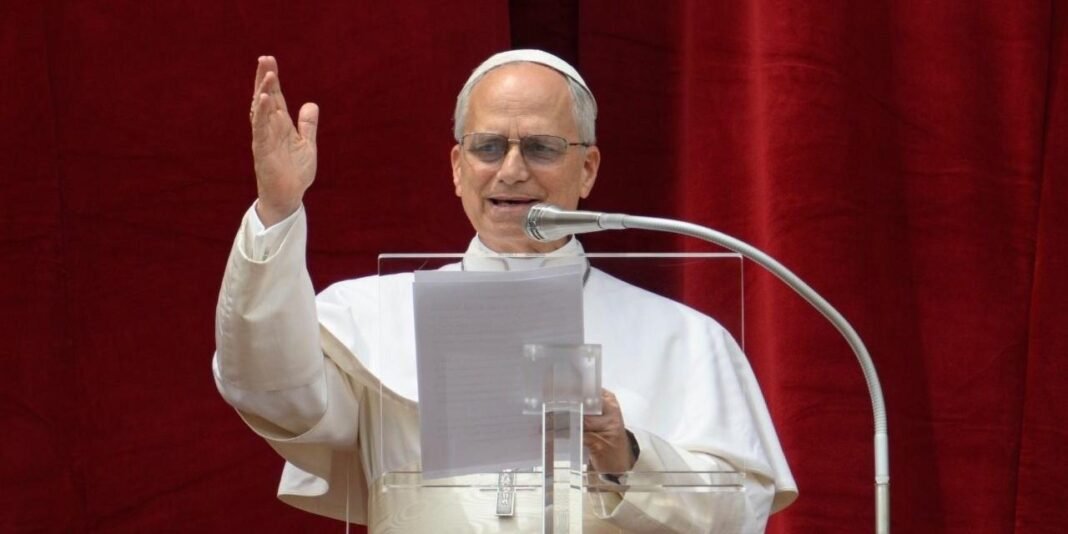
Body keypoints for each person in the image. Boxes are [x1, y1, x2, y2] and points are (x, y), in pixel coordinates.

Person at [214, 50, 797, 532]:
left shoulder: (684, 338)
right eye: (488, 147)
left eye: (541, 148)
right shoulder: (369, 316)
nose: (511, 170)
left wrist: (627, 454)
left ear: (588, 169)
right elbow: (270, 391)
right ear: (457, 167)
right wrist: (278, 209)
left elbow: (742, 515)